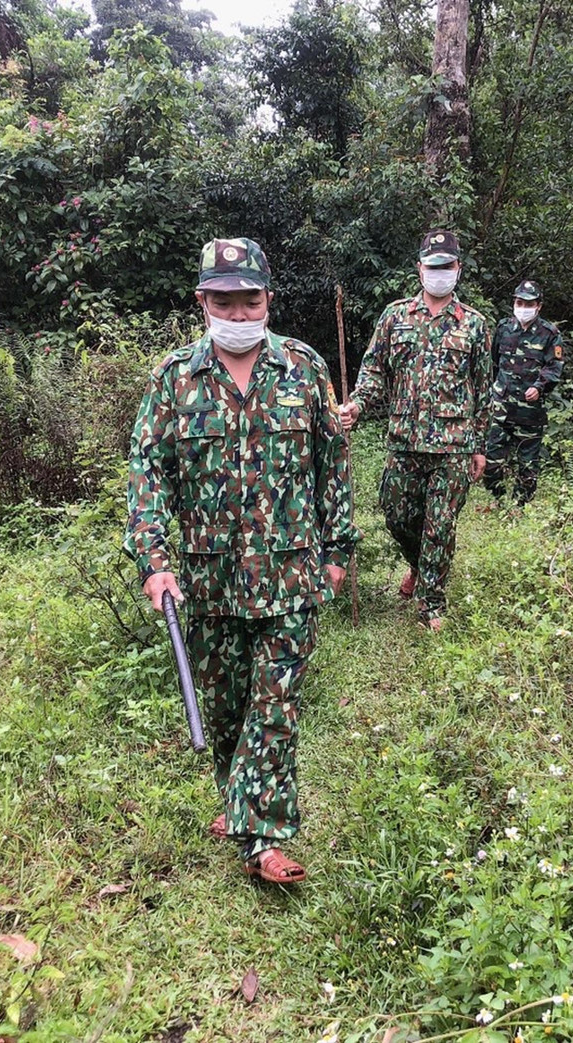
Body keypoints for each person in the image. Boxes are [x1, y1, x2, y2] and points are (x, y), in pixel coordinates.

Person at [125, 237, 357, 885]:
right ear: (201, 301)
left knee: (275, 707)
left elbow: (331, 463)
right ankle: (237, 794)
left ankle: (264, 836)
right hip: (209, 581)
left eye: (249, 299)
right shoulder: (174, 379)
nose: (237, 311)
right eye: (223, 300)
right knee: (228, 710)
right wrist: (154, 559)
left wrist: (337, 549)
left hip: (292, 576)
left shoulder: (304, 368)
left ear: (268, 299)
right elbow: (147, 470)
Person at [339, 229, 491, 632]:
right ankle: (419, 565)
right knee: (396, 514)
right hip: (405, 441)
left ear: (458, 268)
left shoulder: (474, 325)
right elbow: (374, 371)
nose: (439, 273)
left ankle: (431, 605)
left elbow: (483, 389)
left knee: (440, 523)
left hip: (454, 446)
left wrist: (479, 446)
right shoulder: (394, 317)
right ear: (419, 268)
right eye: (432, 266)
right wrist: (357, 404)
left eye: (447, 266)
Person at [480, 279, 564, 511]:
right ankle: (496, 500)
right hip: (501, 406)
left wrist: (539, 386)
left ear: (538, 306)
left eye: (529, 303)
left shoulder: (549, 334)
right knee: (492, 458)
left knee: (527, 462)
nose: (523, 307)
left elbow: (554, 366)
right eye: (519, 302)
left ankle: (520, 506)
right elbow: (494, 363)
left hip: (529, 410)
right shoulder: (504, 328)